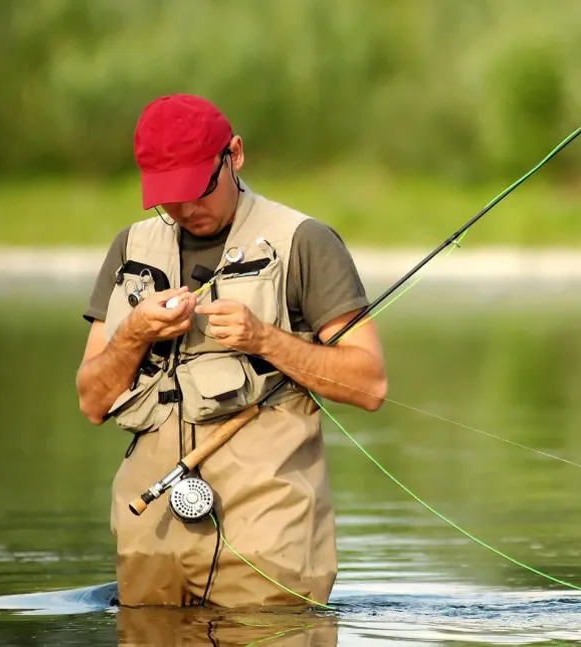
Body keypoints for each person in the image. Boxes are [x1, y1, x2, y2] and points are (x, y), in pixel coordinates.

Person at [75, 93, 388, 608]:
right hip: (148, 535)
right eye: (168, 197)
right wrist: (133, 332)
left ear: (234, 155)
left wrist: (263, 338)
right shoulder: (128, 248)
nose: (186, 209)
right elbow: (91, 402)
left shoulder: (305, 241)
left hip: (269, 541)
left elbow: (370, 384)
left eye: (199, 189)